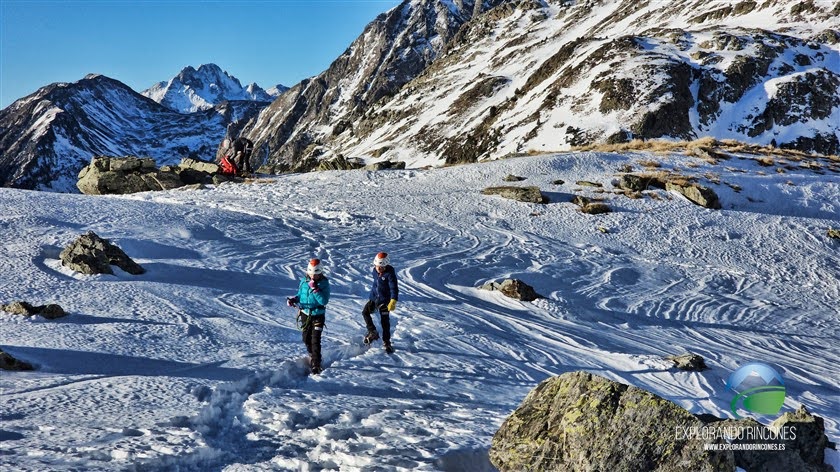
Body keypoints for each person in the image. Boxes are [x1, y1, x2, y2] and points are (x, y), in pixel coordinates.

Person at [287, 258, 331, 374]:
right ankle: (312, 355)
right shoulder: (303, 281)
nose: (313, 277)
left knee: (315, 339)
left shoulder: (324, 283)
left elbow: (324, 301)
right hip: (305, 314)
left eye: (315, 274)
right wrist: (293, 300)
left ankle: (316, 363)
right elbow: (300, 295)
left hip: (318, 315)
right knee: (306, 338)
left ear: (320, 273)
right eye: (311, 274)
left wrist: (315, 289)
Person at [362, 252, 399, 353]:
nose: (379, 269)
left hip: (385, 301)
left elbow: (393, 288)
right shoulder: (375, 271)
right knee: (365, 312)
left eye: (382, 267)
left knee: (385, 322)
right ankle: (372, 331)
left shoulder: (390, 274)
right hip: (374, 298)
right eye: (377, 266)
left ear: (386, 266)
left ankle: (387, 342)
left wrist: (393, 300)